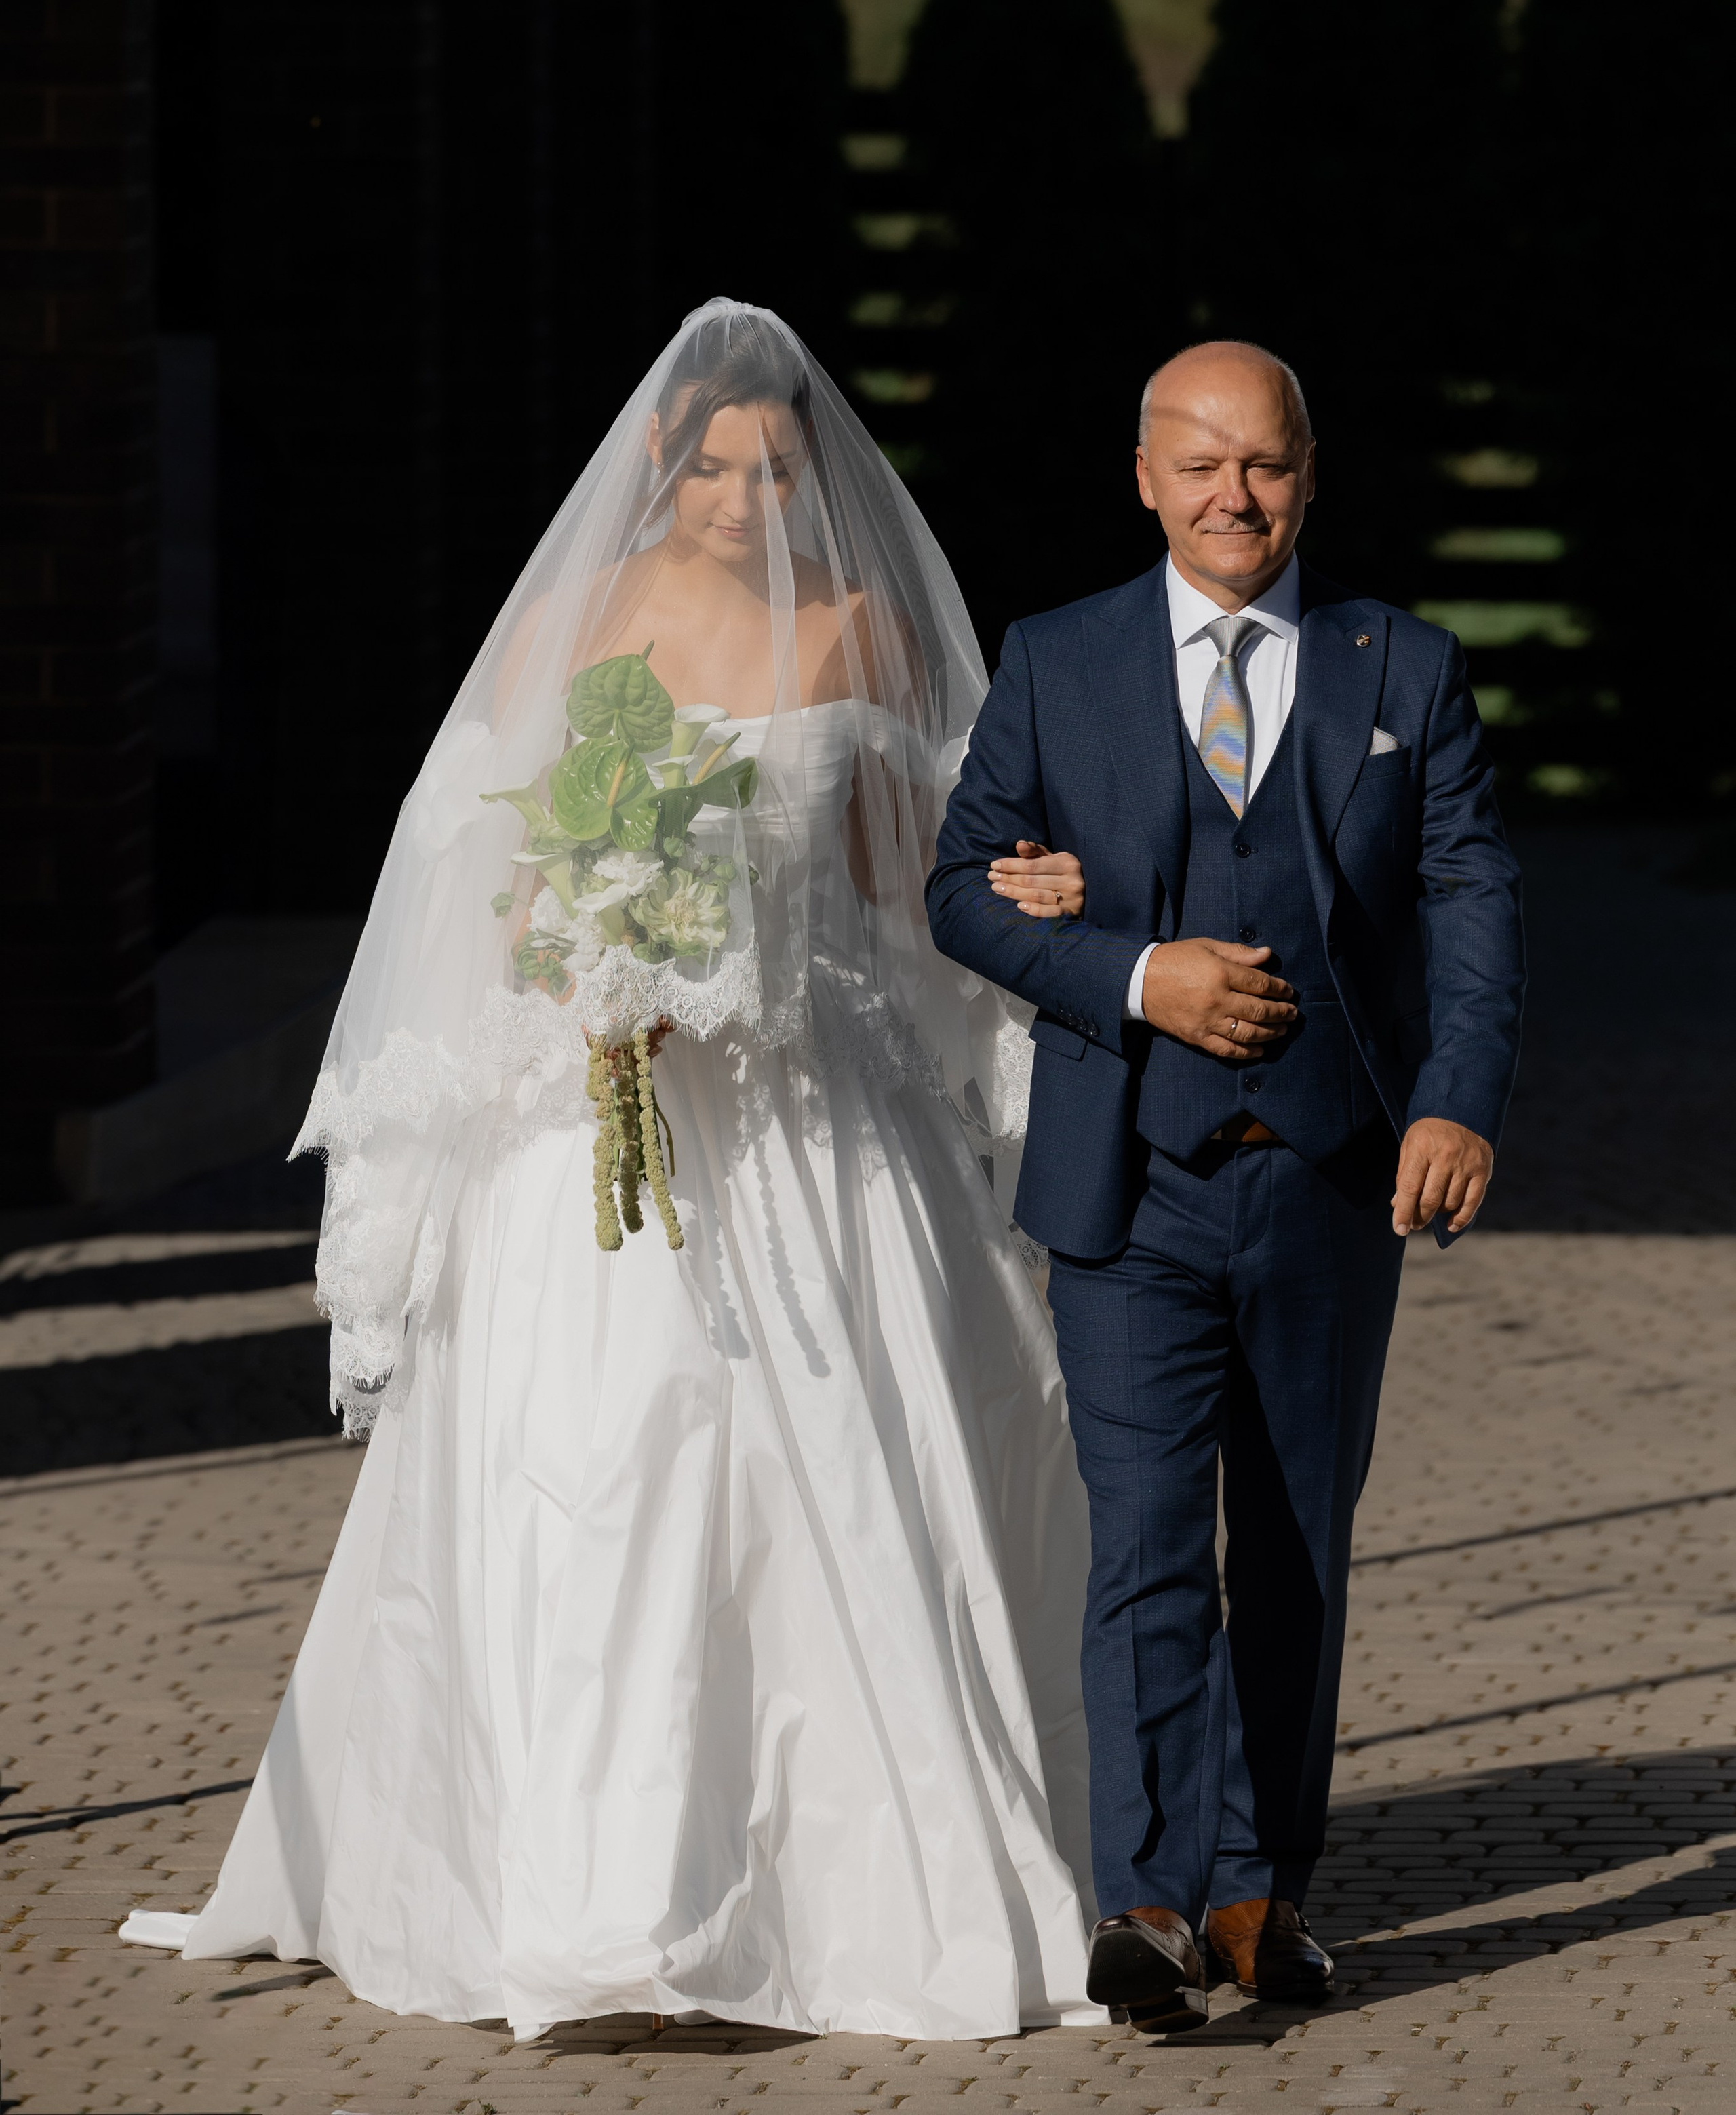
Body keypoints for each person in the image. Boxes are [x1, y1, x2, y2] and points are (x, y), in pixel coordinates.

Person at [119, 302, 1101, 2044]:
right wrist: (587, 962)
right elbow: (483, 873)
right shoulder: (577, 625)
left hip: (808, 1120)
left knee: (827, 1487)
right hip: (600, 1119)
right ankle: (583, 1905)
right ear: (662, 462)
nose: (741, 497)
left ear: (811, 470)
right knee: (596, 1479)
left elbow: (898, 882)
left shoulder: (861, 629)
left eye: (773, 466)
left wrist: (1011, 903)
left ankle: (830, 1890)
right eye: (713, 464)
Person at [926, 340, 1524, 2035]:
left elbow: (1471, 899)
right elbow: (960, 888)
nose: (1229, 496)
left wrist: (1454, 1103)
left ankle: (1257, 1898)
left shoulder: (1398, 663)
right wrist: (1129, 977)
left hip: (1332, 1184)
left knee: (1293, 1555)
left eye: (1259, 465)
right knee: (1141, 1550)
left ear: (1307, 473)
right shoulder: (1055, 662)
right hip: (1129, 1186)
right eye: (1196, 465)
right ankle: (1143, 1903)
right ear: (1141, 477)